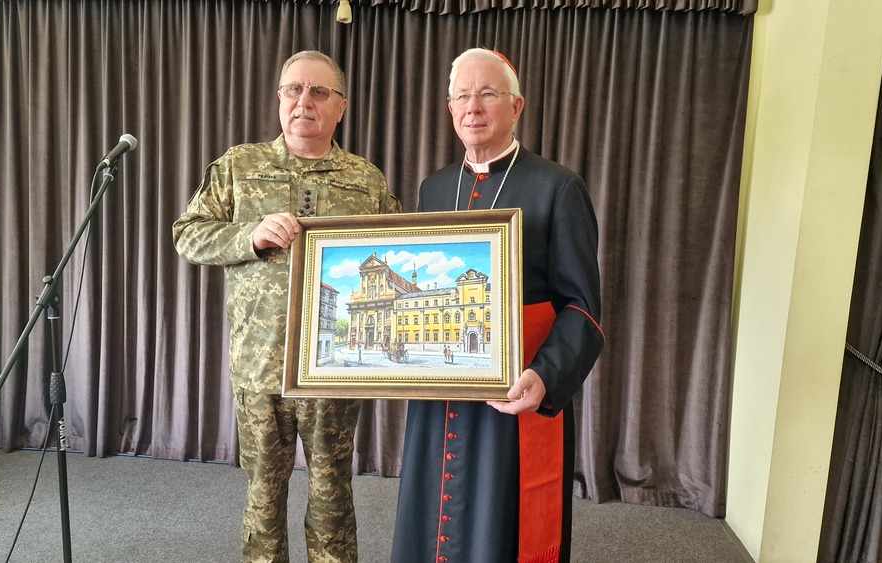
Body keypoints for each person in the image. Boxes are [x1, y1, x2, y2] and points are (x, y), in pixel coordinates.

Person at [172, 50, 401, 563]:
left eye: (319, 92)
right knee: (263, 493)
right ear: (279, 98)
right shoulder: (240, 165)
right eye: (293, 89)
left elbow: (395, 246)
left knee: (332, 491)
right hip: (260, 365)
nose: (304, 102)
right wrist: (248, 236)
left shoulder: (366, 180)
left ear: (341, 107)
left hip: (332, 370)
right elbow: (187, 235)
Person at [391, 48, 605, 563]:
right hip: (439, 392)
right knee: (431, 511)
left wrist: (546, 376)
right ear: (450, 108)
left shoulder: (558, 186)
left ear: (516, 106)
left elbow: (582, 306)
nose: (473, 107)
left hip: (517, 387)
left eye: (488, 94)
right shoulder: (435, 187)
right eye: (462, 96)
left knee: (499, 520)